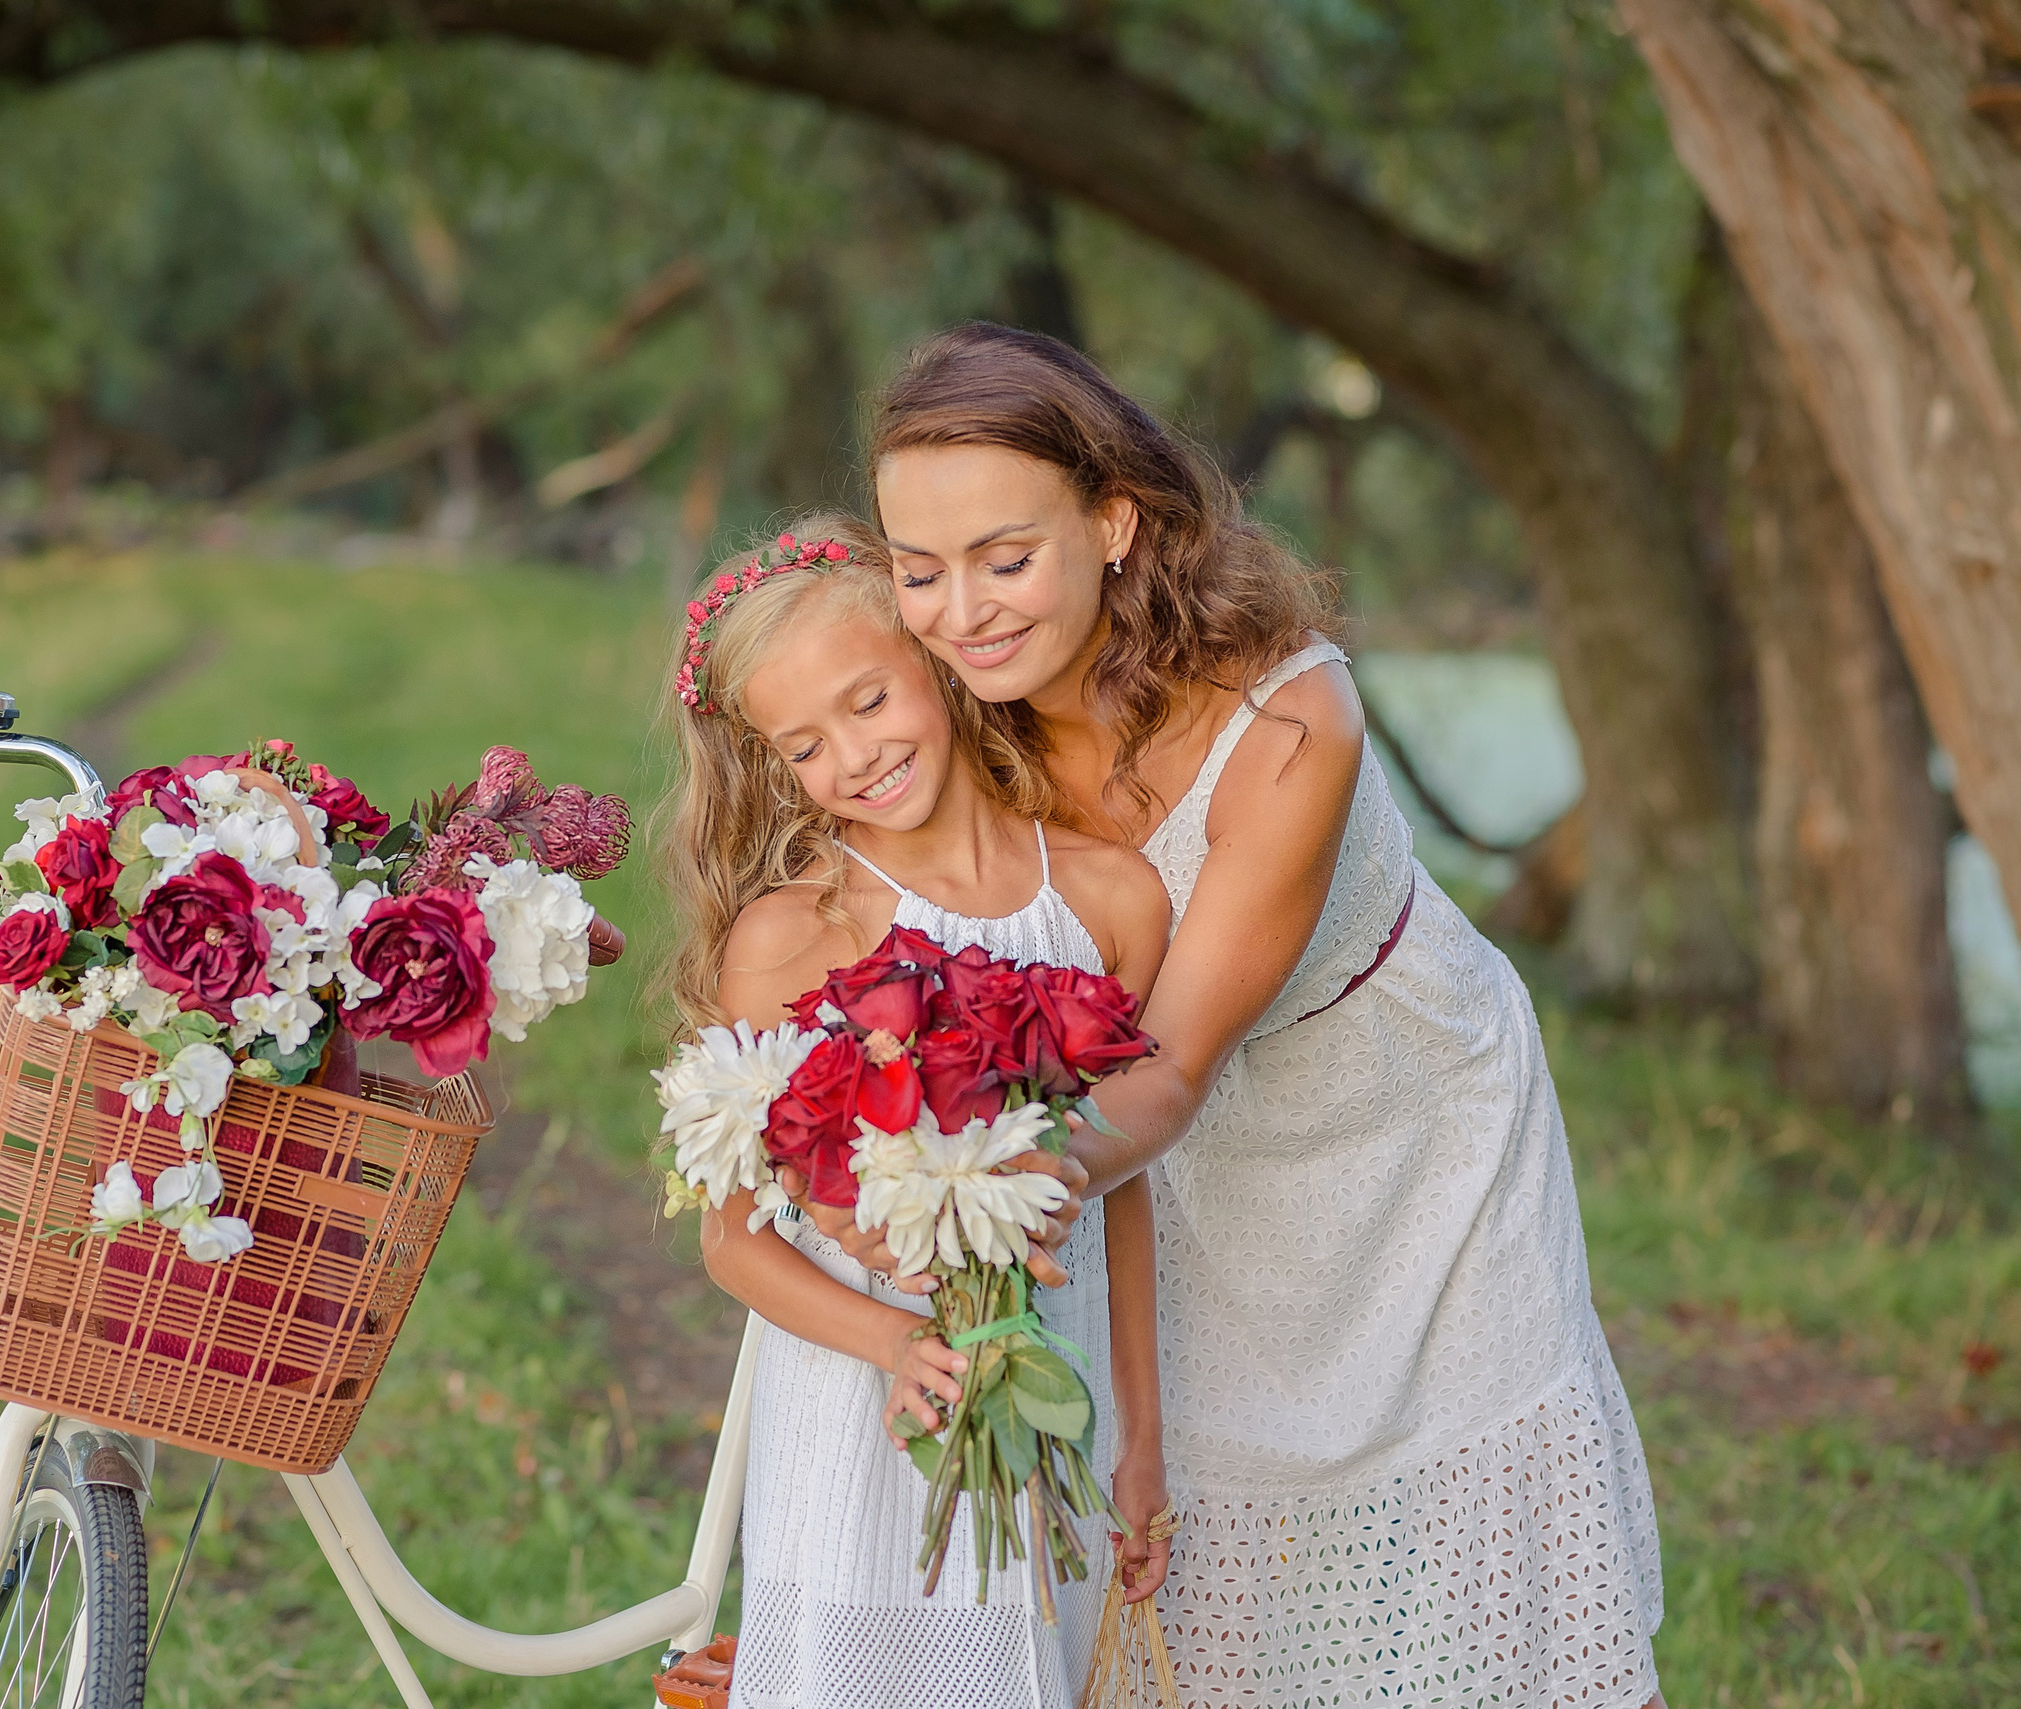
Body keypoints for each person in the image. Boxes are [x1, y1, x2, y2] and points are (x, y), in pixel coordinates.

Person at [823, 323, 1669, 1709]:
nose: (960, 609)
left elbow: (1166, 1061)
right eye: (920, 570)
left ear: (1113, 522)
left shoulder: (1286, 725)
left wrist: (1014, 1176)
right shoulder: (964, 721)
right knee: (1199, 1540)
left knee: (1466, 1570)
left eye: (1003, 557)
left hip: (1405, 1121)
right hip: (1170, 1159)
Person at [662, 517, 1177, 1707]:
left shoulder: (1108, 896)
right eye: (803, 743)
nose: (853, 754)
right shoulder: (794, 937)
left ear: (940, 666)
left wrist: (1141, 1439)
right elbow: (732, 1237)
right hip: (860, 1412)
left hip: (1061, 1378)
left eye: (868, 700)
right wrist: (893, 1339)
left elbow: (1133, 1178)